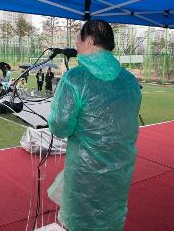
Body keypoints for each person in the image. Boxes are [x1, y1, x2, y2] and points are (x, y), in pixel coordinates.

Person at [48, 20, 142, 230]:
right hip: (120, 169)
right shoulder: (130, 81)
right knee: (110, 219)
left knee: (80, 222)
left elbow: (60, 126)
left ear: (89, 41)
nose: (76, 46)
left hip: (84, 173)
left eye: (78, 41)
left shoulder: (75, 78)